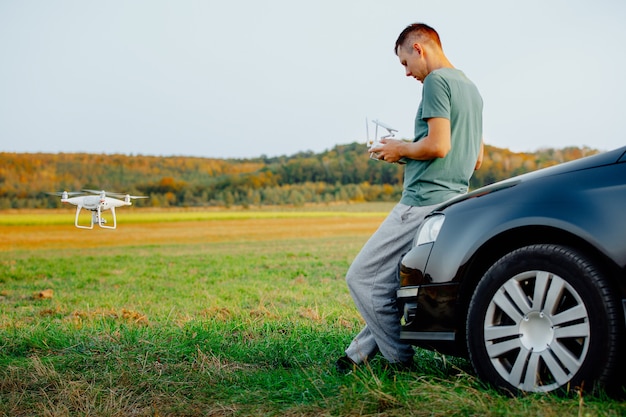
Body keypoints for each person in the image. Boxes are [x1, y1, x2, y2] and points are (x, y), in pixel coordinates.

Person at [337, 23, 484, 371]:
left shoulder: (436, 81)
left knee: (361, 278)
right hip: (453, 200)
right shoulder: (472, 89)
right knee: (397, 285)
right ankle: (356, 355)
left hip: (421, 200)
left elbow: (438, 145)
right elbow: (474, 158)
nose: (407, 73)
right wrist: (403, 153)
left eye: (405, 63)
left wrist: (400, 147)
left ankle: (399, 361)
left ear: (418, 48)